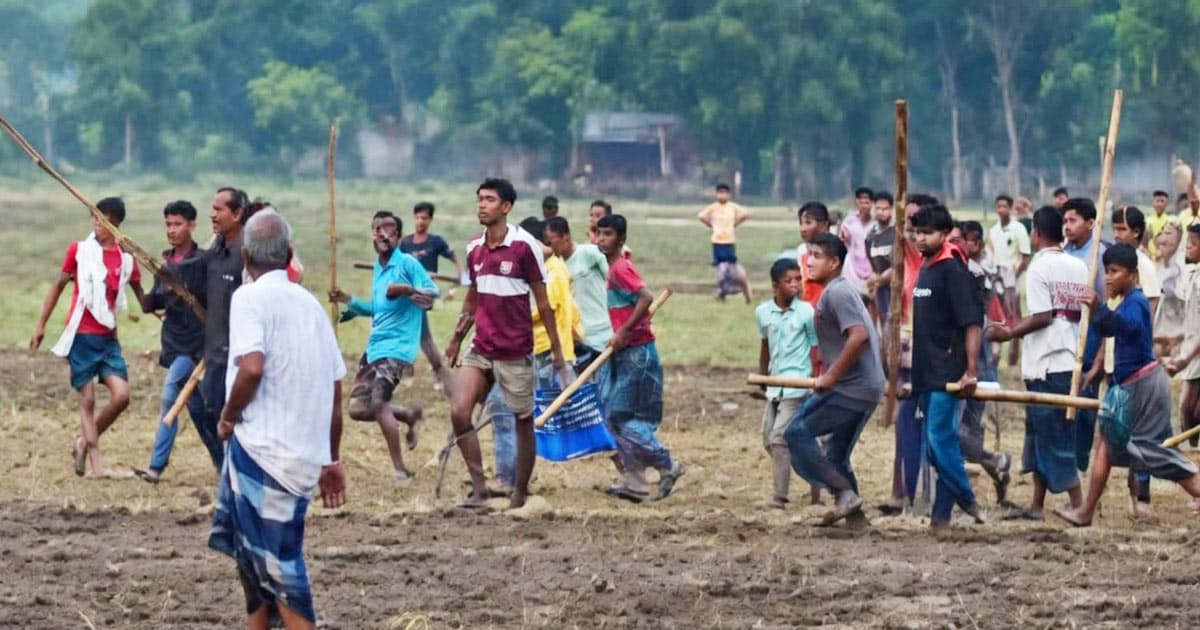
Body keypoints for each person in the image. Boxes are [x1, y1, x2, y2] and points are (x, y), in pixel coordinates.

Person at [208, 209, 347, 629]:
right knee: (253, 563)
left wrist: (228, 417)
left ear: (245, 255)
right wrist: (330, 459)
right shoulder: (311, 307)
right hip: (302, 456)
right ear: (288, 254)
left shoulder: (247, 298)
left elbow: (252, 368)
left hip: (264, 453)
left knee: (282, 571)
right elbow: (335, 388)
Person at [445, 178, 570, 510]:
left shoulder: (524, 246)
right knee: (459, 412)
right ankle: (480, 489)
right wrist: (457, 337)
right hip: (481, 346)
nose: (481, 204)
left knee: (522, 421)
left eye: (489, 199)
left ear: (506, 207)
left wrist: (558, 354)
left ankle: (519, 492)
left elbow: (544, 304)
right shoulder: (474, 247)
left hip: (515, 351)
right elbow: (473, 297)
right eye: (479, 198)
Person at [1055, 244, 1200, 527]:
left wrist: (1099, 307)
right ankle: (1085, 512)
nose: (1109, 278)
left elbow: (1127, 326)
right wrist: (1097, 310)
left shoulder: (1136, 301)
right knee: (1106, 446)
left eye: (1115, 272)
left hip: (1143, 387)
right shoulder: (1121, 301)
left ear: (1133, 275)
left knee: (1157, 453)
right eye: (1106, 272)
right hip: (1125, 387)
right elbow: (1109, 328)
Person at [30, 197, 145, 479]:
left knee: (122, 397)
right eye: (93, 218)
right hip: (81, 334)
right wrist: (41, 325)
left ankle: (82, 441)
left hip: (108, 338)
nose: (95, 224)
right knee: (88, 400)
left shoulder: (127, 259)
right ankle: (97, 467)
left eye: (102, 220)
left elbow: (143, 297)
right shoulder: (79, 251)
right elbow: (58, 286)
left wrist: (166, 311)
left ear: (115, 223)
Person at [990, 207, 1088, 518]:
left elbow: (1043, 317)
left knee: (1054, 437)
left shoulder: (1038, 268)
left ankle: (1078, 504)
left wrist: (1008, 333)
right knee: (1038, 437)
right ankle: (1037, 504)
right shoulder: (1078, 265)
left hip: (1049, 361)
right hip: (1067, 356)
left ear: (1035, 233)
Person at [784, 233, 885, 524]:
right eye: (808, 255)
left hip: (852, 390)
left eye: (816, 256)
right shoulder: (842, 290)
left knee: (795, 433)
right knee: (836, 454)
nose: (809, 261)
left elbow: (860, 336)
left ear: (834, 262)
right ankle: (857, 520)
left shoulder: (837, 293)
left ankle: (844, 493)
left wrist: (831, 376)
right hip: (865, 388)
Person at [330, 211, 436, 483]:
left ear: (398, 236)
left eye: (388, 229)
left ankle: (400, 469)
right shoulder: (379, 267)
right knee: (356, 408)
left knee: (378, 402)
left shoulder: (408, 264)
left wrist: (404, 290)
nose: (381, 233)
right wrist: (347, 300)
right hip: (374, 350)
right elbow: (377, 308)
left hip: (397, 350)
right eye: (377, 228)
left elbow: (430, 296)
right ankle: (408, 414)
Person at [596, 213, 685, 503]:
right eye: (599, 233)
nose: (601, 239)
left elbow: (645, 297)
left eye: (608, 234)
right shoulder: (613, 269)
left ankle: (666, 464)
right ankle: (635, 482)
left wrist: (623, 331)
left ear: (620, 240)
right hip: (626, 352)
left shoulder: (621, 268)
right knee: (616, 416)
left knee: (617, 417)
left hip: (637, 352)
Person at [909, 204, 985, 529]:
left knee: (940, 440)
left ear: (944, 234)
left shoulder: (952, 269)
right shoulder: (926, 265)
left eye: (927, 233)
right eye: (917, 232)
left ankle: (967, 497)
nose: (920, 239)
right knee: (934, 446)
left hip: (948, 370)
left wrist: (970, 370)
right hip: (925, 371)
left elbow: (971, 323)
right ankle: (941, 519)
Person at [134, 201, 212, 483]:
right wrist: (134, 283)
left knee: (172, 398)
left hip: (197, 348)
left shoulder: (203, 262)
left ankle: (155, 468)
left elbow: (213, 304)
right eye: (168, 224)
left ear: (191, 225)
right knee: (199, 412)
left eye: (178, 224)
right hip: (175, 345)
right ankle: (223, 464)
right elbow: (149, 304)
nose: (172, 230)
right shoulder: (164, 265)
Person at [957, 221, 1012, 501]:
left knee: (957, 430)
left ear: (974, 244)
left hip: (974, 365)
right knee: (964, 430)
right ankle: (994, 466)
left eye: (960, 241)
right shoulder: (962, 272)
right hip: (971, 363)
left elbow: (995, 321)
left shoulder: (977, 276)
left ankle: (994, 462)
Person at [197, 186, 250, 472]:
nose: (212, 214)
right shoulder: (214, 249)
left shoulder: (247, 254)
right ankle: (226, 469)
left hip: (239, 354)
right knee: (206, 410)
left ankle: (236, 471)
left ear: (237, 213)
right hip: (214, 350)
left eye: (219, 210)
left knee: (231, 416)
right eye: (212, 208)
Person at [756, 258, 816, 509]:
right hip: (774, 384)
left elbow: (815, 348)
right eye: (788, 281)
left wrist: (816, 380)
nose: (795, 285)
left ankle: (779, 498)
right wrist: (762, 376)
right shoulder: (762, 312)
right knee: (768, 439)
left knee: (779, 438)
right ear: (775, 285)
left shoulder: (807, 312)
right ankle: (816, 472)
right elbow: (765, 344)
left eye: (798, 280)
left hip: (798, 384)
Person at [400, 201, 464, 394]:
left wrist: (457, 283)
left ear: (430, 220)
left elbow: (456, 260)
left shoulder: (435, 242)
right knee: (415, 333)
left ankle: (435, 372)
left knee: (421, 335)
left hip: (423, 295)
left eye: (424, 218)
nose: (420, 221)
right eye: (417, 217)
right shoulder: (406, 243)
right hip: (406, 293)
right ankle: (418, 370)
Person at [1062, 197, 1106, 472]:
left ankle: (1080, 465)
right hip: (1065, 341)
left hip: (1090, 344)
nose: (1067, 226)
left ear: (1090, 223)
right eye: (1064, 221)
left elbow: (1106, 306)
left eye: (1073, 220)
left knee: (1085, 410)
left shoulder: (1100, 257)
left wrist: (1101, 355)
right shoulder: (1064, 252)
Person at [544, 216, 612, 370]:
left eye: (551, 240)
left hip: (602, 333)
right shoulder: (554, 266)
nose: (548, 245)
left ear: (565, 237)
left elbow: (614, 283)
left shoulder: (590, 253)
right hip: (576, 339)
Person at [986, 194, 1031, 367]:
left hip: (1014, 276)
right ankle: (997, 355)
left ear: (1010, 208)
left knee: (1015, 317)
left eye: (1005, 206)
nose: (1001, 210)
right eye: (999, 207)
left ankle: (1015, 356)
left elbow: (1025, 256)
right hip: (997, 276)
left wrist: (1014, 276)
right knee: (998, 314)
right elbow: (990, 254)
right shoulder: (994, 231)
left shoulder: (1018, 228)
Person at [1166, 225, 1200, 448]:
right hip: (1192, 346)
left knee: (1191, 408)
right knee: (1186, 407)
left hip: (1195, 350)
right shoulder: (1192, 274)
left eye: (1194, 243)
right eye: (1188, 241)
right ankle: (1193, 449)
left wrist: (1186, 357)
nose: (1188, 246)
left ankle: (1194, 449)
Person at [697, 183, 752, 303]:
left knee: (733, 269)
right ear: (716, 194)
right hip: (717, 241)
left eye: (725, 192)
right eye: (720, 192)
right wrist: (710, 225)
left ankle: (743, 294)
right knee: (721, 269)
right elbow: (701, 216)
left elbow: (746, 214)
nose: (722, 195)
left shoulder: (732, 207)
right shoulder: (714, 207)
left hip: (729, 241)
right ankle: (723, 292)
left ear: (729, 194)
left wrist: (735, 223)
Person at [1154, 222, 1186, 358]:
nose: (1163, 239)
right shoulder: (1160, 268)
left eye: (1168, 234)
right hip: (1161, 333)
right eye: (1162, 233)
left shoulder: (1183, 267)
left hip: (1180, 334)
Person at [865, 191, 895, 334]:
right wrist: (876, 280)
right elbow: (872, 264)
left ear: (892, 210)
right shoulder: (871, 236)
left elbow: (899, 266)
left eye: (885, 209)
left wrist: (880, 279)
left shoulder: (897, 233)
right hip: (881, 288)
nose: (881, 212)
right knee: (883, 326)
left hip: (897, 288)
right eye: (878, 208)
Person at [838, 187, 876, 299]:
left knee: (871, 298)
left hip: (871, 264)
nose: (864, 206)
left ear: (872, 203)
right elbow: (842, 238)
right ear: (856, 202)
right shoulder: (849, 221)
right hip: (852, 265)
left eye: (867, 202)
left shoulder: (876, 223)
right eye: (861, 202)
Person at [796, 201, 832, 307]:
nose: (802, 229)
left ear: (823, 225)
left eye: (808, 223)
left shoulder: (834, 250)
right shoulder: (802, 251)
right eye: (801, 223)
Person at [1146, 190, 1176, 258]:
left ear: (1167, 204)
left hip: (1165, 257)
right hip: (1149, 257)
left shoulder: (1171, 221)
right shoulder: (1147, 222)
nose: (1159, 204)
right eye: (1157, 201)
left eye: (1162, 201)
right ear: (1153, 203)